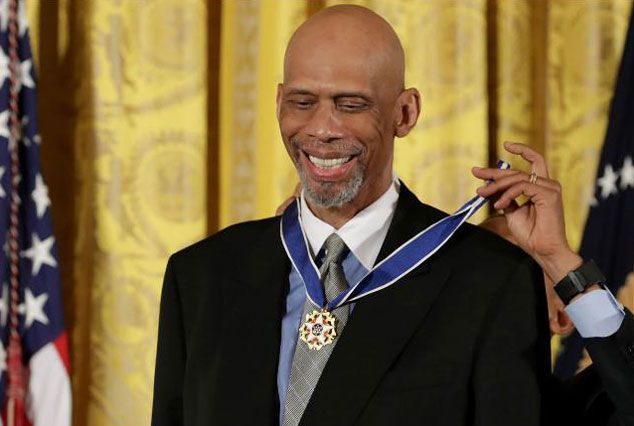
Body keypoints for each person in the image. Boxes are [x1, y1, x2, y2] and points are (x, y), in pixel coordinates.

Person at [151, 6, 551, 426]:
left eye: (352, 104)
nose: (323, 129)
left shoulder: (490, 281)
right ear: (278, 103)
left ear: (405, 113)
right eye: (302, 102)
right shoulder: (199, 276)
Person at [473, 143, 634, 426]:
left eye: (512, 272)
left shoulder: (593, 406)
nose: (483, 288)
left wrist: (556, 256)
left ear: (561, 316)